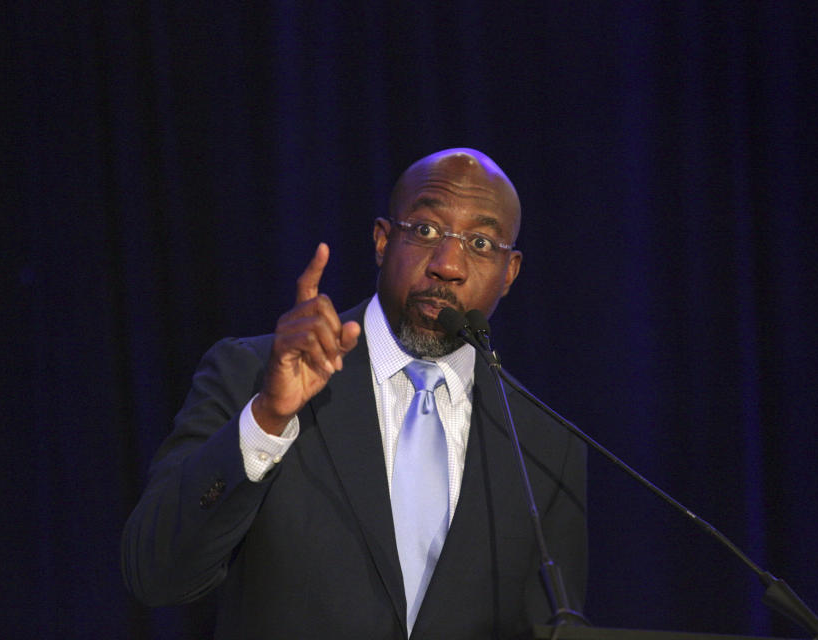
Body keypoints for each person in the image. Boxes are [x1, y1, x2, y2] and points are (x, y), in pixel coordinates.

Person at [122, 148, 587, 639]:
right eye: (427, 231)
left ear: (509, 272)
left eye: (479, 242)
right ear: (383, 241)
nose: (448, 265)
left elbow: (554, 628)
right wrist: (266, 421)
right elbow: (154, 575)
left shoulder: (545, 446)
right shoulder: (252, 373)